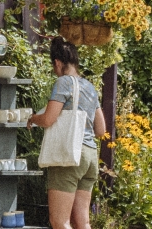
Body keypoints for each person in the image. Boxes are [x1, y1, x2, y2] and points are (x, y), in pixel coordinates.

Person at [32, 37, 108, 229]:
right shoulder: (90, 87)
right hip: (90, 157)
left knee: (60, 221)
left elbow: (49, 119)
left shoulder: (64, 83)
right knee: (82, 222)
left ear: (57, 63)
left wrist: (33, 119)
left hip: (69, 156)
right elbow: (101, 130)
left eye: (53, 66)